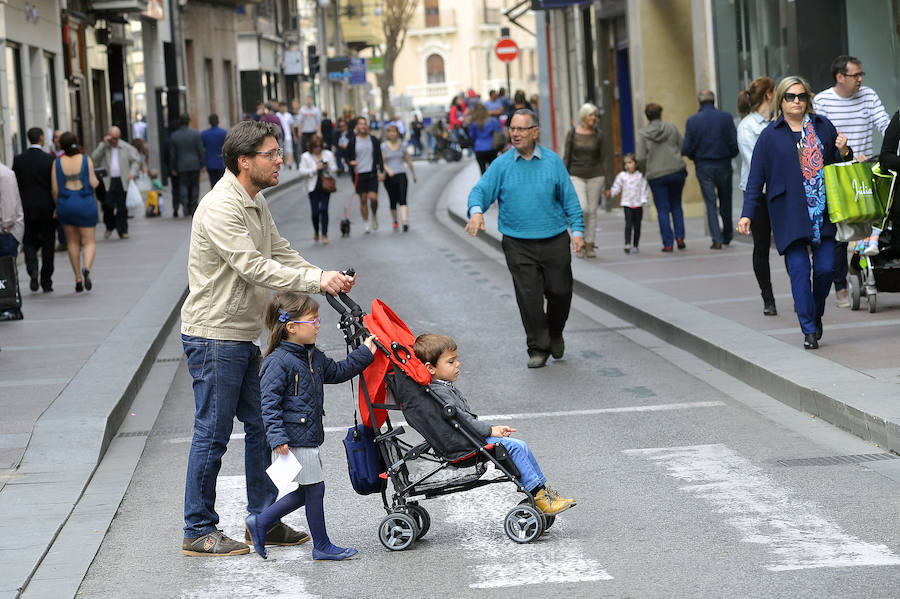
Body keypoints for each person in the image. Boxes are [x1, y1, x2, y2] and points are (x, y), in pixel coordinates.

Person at [180, 120, 356, 557]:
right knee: (213, 433)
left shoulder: (256, 202)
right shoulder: (222, 206)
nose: (280, 160)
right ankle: (198, 528)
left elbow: (279, 251)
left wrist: (323, 279)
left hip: (242, 336)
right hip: (213, 336)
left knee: (262, 424)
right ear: (245, 161)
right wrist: (316, 279)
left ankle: (265, 515)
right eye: (272, 154)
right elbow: (252, 267)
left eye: (279, 152)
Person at [250, 292, 376, 561]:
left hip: (307, 434)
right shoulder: (277, 362)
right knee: (314, 489)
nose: (318, 325)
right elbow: (268, 405)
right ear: (291, 327)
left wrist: (365, 353)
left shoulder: (313, 356)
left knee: (305, 492)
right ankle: (321, 545)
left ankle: (261, 523)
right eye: (313, 321)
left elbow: (339, 372)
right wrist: (277, 437)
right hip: (292, 438)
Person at [738, 76, 851, 350]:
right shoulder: (770, 135)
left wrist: (845, 150)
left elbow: (841, 166)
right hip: (788, 212)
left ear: (808, 98)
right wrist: (747, 214)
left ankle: (815, 312)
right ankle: (809, 330)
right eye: (790, 96)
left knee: (825, 269)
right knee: (799, 272)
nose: (797, 101)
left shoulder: (824, 127)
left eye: (801, 96)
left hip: (823, 212)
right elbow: (756, 178)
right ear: (781, 100)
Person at [466, 109, 584, 368]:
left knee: (560, 292)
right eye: (512, 129)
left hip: (554, 239)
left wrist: (577, 231)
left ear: (535, 132)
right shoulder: (502, 165)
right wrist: (476, 213)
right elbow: (480, 191)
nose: (515, 134)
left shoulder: (553, 162)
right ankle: (538, 347)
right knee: (529, 297)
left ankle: (555, 333)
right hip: (518, 243)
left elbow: (570, 200)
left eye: (521, 129)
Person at [413, 333, 576, 515]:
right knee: (514, 448)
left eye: (456, 360)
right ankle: (538, 495)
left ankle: (542, 492)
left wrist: (491, 430)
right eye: (451, 362)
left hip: (467, 438)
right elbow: (464, 421)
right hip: (463, 444)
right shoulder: (439, 393)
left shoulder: (441, 388)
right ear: (431, 368)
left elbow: (465, 421)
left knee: (520, 445)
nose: (458, 364)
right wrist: (491, 430)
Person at [813, 56, 890, 308]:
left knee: (869, 224)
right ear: (840, 77)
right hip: (836, 173)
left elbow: (884, 123)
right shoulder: (823, 101)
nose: (860, 79)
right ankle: (841, 287)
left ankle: (861, 272)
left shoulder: (868, 95)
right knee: (840, 230)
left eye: (861, 74)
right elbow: (816, 135)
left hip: (866, 169)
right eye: (855, 75)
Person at [737, 76, 778, 316]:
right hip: (758, 194)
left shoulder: (779, 122)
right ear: (770, 95)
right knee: (761, 246)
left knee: (791, 244)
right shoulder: (747, 127)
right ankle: (768, 298)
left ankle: (799, 294)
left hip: (780, 191)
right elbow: (755, 165)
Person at [682, 90, 739, 250]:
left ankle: (716, 238)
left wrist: (696, 157)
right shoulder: (726, 118)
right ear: (713, 101)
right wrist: (730, 155)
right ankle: (727, 234)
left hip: (704, 165)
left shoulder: (692, 121)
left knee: (710, 203)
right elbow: (734, 143)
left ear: (699, 103)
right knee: (726, 201)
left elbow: (686, 147)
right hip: (724, 163)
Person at [636, 103, 688, 252]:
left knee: (662, 209)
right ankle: (680, 237)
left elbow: (640, 157)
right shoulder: (671, 128)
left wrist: (646, 170)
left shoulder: (643, 134)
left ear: (647, 116)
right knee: (676, 205)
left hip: (656, 175)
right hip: (676, 170)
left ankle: (668, 243)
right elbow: (683, 146)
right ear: (660, 114)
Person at [52, 131, 100, 293]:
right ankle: (87, 268)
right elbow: (93, 182)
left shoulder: (57, 163)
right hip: (85, 203)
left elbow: (55, 189)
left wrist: (57, 207)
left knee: (72, 242)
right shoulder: (86, 160)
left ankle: (78, 278)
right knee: (89, 242)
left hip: (66, 204)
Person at [13, 128, 56, 293]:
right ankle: (46, 280)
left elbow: (15, 184)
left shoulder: (19, 161)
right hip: (46, 208)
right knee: (48, 244)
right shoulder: (49, 159)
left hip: (27, 208)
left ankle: (32, 269)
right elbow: (54, 187)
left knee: (29, 242)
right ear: (41, 138)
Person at [564, 102, 607, 259]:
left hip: (596, 175)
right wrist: (563, 178)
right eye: (591, 115)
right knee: (582, 208)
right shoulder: (573, 133)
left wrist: (607, 180)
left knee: (593, 211)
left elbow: (603, 158)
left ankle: (589, 244)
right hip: (576, 174)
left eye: (595, 115)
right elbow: (566, 156)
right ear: (584, 116)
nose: (594, 118)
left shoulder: (599, 134)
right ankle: (579, 240)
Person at [91, 126, 140, 239]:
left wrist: (132, 172)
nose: (114, 141)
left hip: (122, 180)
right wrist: (103, 145)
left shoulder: (125, 147)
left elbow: (136, 161)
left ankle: (123, 230)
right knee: (107, 205)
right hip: (107, 181)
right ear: (108, 137)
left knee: (122, 207)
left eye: (116, 138)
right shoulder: (104, 147)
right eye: (112, 138)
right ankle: (110, 226)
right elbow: (94, 158)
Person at [346, 117, 384, 234]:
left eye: (365, 123)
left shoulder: (373, 140)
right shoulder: (353, 141)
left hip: (372, 173)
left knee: (373, 198)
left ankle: (374, 215)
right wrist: (350, 162)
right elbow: (347, 157)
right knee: (363, 200)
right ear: (357, 127)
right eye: (361, 124)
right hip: (359, 174)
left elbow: (379, 157)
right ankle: (366, 222)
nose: (363, 126)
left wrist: (381, 171)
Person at [607, 153, 650, 255]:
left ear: (635, 164)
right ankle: (627, 244)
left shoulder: (640, 176)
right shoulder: (622, 176)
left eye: (630, 162)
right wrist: (611, 193)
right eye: (625, 163)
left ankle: (635, 245)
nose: (628, 165)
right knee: (628, 224)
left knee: (637, 226)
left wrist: (644, 200)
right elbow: (617, 187)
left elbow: (644, 189)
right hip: (627, 204)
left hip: (638, 205)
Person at [298, 134, 337, 244]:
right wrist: (315, 168)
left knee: (324, 209)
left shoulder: (328, 154)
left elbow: (334, 168)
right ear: (311, 147)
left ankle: (324, 234)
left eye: (319, 146)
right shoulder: (306, 156)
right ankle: (316, 231)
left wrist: (327, 166)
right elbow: (301, 172)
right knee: (315, 212)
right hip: (312, 187)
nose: (318, 148)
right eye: (315, 146)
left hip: (326, 185)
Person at [381, 124, 418, 232]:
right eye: (390, 131)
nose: (392, 134)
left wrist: (414, 174)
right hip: (390, 177)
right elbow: (381, 162)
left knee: (402, 197)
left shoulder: (402, 145)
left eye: (394, 131)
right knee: (393, 199)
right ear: (388, 134)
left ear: (397, 133)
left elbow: (408, 160)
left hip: (401, 174)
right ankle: (395, 220)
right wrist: (388, 170)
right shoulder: (384, 146)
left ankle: (405, 221)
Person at [0, 158, 24, 320]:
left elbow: (9, 211)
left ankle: (11, 308)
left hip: (6, 232)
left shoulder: (4, 175)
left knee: (6, 269)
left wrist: (4, 227)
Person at [169, 114, 205, 216]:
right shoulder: (195, 134)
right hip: (194, 164)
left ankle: (184, 201)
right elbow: (200, 150)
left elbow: (173, 154)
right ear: (189, 121)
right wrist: (202, 164)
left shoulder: (174, 136)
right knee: (195, 185)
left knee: (183, 185)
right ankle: (193, 205)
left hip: (181, 165)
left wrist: (173, 167)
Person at [467, 103, 503, 174]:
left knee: (483, 172)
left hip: (479, 149)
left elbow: (472, 136)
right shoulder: (492, 121)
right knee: (493, 172)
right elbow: (500, 132)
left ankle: (485, 184)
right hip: (491, 148)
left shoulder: (473, 123)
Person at [201, 114, 227, 189]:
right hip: (220, 161)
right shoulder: (223, 133)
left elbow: (202, 148)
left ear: (209, 122)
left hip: (209, 161)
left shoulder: (204, 134)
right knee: (221, 182)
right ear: (218, 121)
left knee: (213, 183)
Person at [276, 101, 295, 169]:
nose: (283, 108)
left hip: (288, 136)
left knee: (289, 150)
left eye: (284, 107)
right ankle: (282, 163)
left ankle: (290, 163)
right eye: (281, 107)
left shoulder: (288, 115)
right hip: (280, 136)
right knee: (281, 150)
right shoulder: (277, 115)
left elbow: (291, 126)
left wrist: (294, 136)